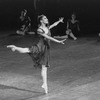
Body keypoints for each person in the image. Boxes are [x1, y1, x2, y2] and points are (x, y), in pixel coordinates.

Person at [7, 15, 66, 94]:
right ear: (41, 21)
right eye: (45, 18)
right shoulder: (39, 29)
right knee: (27, 50)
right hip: (40, 47)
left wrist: (59, 21)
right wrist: (58, 41)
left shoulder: (47, 27)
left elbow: (54, 24)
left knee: (44, 68)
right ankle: (15, 47)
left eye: (46, 18)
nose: (47, 19)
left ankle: (45, 84)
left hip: (46, 49)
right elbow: (48, 37)